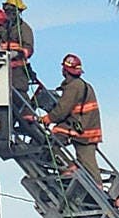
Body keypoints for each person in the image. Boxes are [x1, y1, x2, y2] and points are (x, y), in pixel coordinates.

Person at [24, 53, 101, 181]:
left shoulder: (73, 87)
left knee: (49, 142)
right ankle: (97, 185)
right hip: (87, 129)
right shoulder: (82, 85)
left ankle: (69, 167)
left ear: (65, 70)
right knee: (89, 164)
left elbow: (62, 110)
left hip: (79, 128)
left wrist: (47, 119)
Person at [0, 0, 34, 106]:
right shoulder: (2, 27)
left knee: (20, 98)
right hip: (2, 69)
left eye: (11, 11)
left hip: (18, 71)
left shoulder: (24, 29)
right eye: (6, 11)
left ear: (18, 12)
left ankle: (27, 119)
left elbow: (29, 49)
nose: (8, 14)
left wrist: (18, 52)